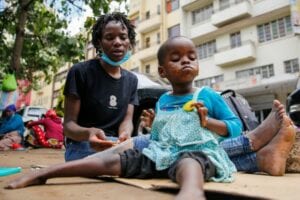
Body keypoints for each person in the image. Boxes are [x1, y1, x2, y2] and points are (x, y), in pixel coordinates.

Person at [5, 37, 295, 200]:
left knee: (190, 163)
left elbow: (231, 127)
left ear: (198, 64)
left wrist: (207, 122)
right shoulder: (164, 99)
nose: (186, 61)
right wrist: (151, 123)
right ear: (163, 72)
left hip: (196, 151)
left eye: (191, 56)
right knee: (110, 162)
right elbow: (157, 137)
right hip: (161, 153)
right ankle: (44, 174)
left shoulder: (208, 95)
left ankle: (192, 193)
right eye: (176, 58)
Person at [63, 12, 139, 161]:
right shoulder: (80, 72)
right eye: (109, 38)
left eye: (123, 37)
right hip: (83, 145)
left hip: (117, 145)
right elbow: (68, 126)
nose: (117, 42)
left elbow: (127, 120)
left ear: (129, 42)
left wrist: (125, 134)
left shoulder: (132, 80)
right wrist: (89, 133)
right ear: (98, 43)